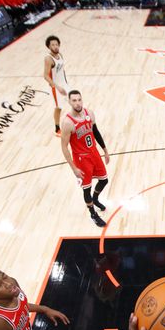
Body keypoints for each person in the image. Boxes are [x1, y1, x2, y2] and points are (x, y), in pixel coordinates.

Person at [60, 90, 110, 228]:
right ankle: (93, 214)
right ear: (69, 102)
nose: (77, 103)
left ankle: (95, 199)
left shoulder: (90, 113)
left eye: (79, 100)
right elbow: (64, 147)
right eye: (74, 100)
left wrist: (105, 150)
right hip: (81, 159)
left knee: (104, 180)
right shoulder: (67, 123)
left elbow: (95, 131)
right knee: (86, 189)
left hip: (94, 153)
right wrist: (74, 168)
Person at [43, 35, 70, 137]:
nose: (55, 46)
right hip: (56, 87)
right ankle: (57, 129)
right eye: (53, 45)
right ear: (49, 47)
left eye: (57, 44)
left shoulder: (60, 55)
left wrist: (66, 84)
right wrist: (57, 87)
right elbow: (45, 75)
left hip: (64, 84)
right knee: (58, 107)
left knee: (73, 101)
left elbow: (62, 70)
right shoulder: (48, 59)